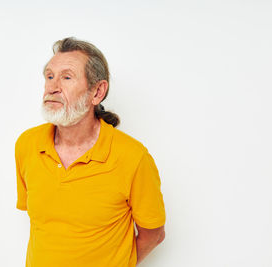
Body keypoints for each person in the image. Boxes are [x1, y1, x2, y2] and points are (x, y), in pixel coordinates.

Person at [15, 37, 166, 267]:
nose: (53, 87)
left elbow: (153, 234)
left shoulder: (133, 157)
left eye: (66, 77)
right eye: (49, 76)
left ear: (97, 92)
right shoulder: (27, 145)